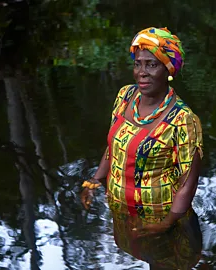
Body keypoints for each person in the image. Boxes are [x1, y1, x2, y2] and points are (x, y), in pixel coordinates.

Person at [81, 27, 204, 269]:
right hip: (121, 211)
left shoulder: (182, 119)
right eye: (138, 64)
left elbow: (188, 182)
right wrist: (95, 180)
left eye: (152, 65)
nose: (142, 73)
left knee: (165, 263)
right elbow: (114, 146)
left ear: (168, 70)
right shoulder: (125, 96)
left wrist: (166, 223)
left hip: (161, 217)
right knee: (141, 257)